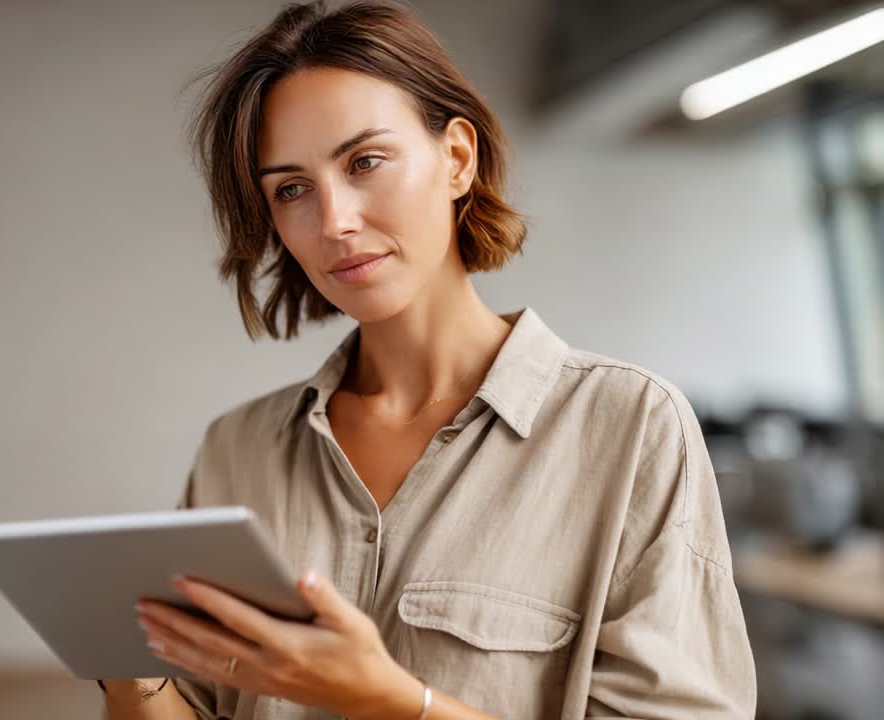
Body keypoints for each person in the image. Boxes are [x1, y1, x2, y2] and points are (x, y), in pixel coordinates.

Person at [101, 1, 757, 718]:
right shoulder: (237, 450)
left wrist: (391, 701)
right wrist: (122, 661)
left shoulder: (631, 427)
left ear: (456, 159)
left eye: (365, 162)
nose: (335, 221)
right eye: (291, 189)